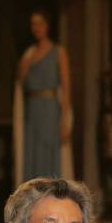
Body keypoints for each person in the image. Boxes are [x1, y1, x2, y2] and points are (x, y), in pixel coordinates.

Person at [13, 10, 73, 184]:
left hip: (50, 110)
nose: (37, 28)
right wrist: (24, 66)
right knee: (31, 154)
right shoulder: (29, 54)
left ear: (47, 25)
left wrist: (65, 118)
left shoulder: (58, 52)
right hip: (32, 111)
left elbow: (66, 86)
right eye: (33, 24)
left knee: (48, 155)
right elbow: (20, 85)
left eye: (40, 23)